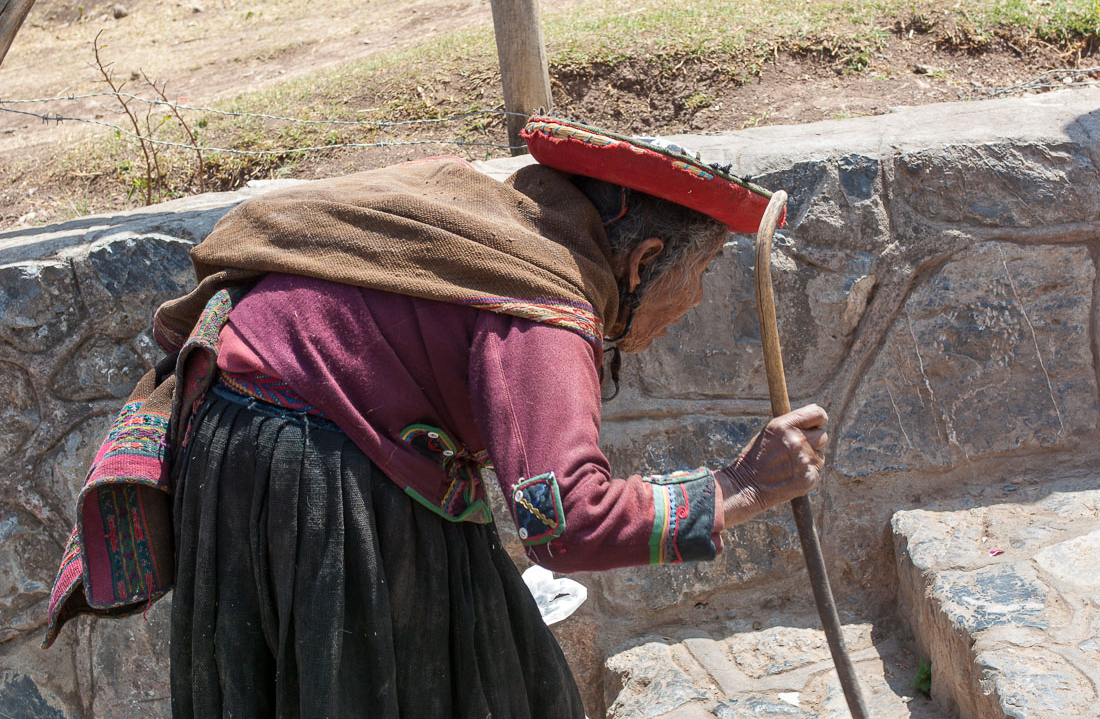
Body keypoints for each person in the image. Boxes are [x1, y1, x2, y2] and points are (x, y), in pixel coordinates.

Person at [46, 123, 826, 719]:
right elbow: (567, 524)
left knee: (485, 660)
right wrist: (739, 485)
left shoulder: (501, 222)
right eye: (701, 272)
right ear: (643, 256)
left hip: (251, 434)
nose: (692, 303)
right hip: (312, 471)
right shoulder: (541, 308)